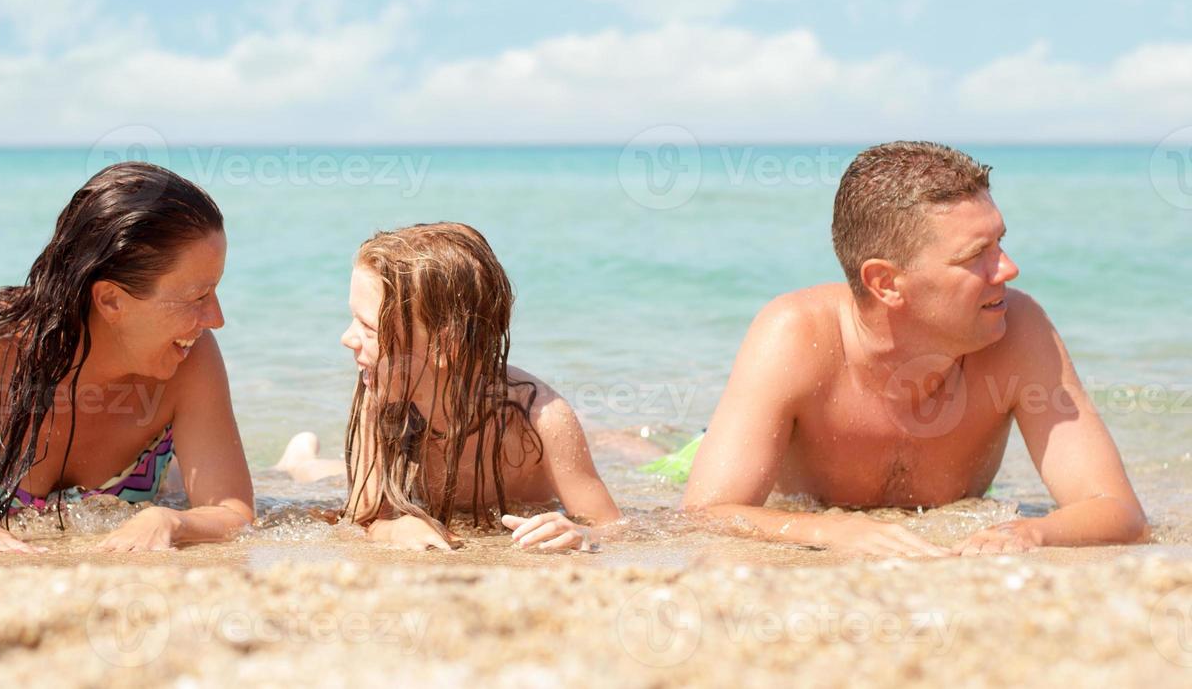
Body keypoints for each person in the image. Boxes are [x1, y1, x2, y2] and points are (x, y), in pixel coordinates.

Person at [682, 141, 1147, 556]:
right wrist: (829, 531)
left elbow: (1117, 509)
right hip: (730, 457)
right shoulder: (796, 335)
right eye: (974, 256)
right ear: (886, 283)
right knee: (659, 459)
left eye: (1000, 243)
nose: (1008, 268)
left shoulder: (1018, 329)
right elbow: (708, 511)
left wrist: (1030, 533)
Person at [0, 162, 253, 552]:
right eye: (198, 297)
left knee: (198, 491)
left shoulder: (190, 357)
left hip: (165, 481)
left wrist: (169, 519)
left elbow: (232, 513)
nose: (217, 319)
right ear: (110, 300)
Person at [277, 222, 620, 552]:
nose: (346, 338)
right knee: (315, 475)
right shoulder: (382, 396)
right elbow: (360, 517)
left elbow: (614, 528)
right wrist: (392, 527)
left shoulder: (541, 419)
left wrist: (579, 532)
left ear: (445, 345)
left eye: (368, 327)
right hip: (418, 490)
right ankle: (300, 458)